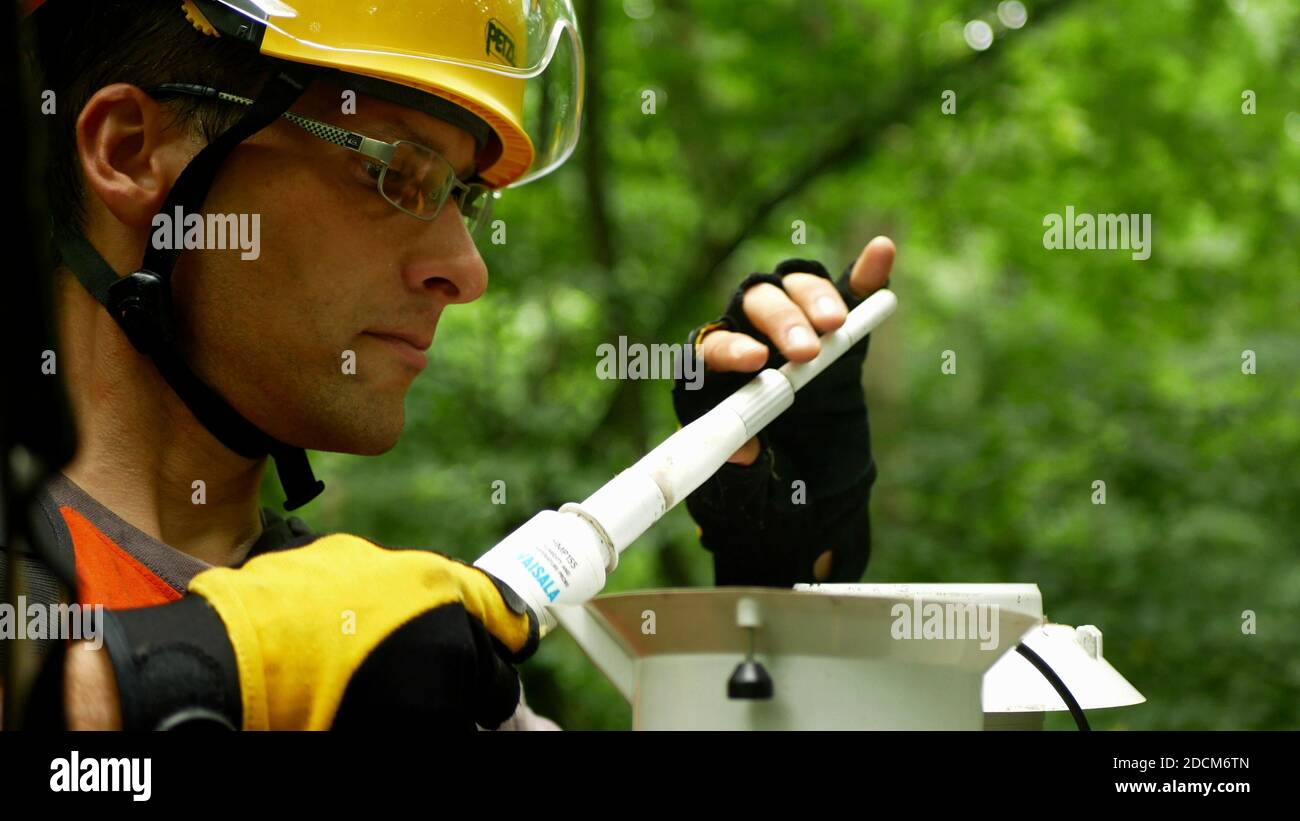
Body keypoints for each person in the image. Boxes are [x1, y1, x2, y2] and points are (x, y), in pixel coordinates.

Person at [5, 0, 896, 731]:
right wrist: (191, 680)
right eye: (398, 174)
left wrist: (780, 612)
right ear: (130, 151)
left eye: (463, 196)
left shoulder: (379, 652)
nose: (467, 271)